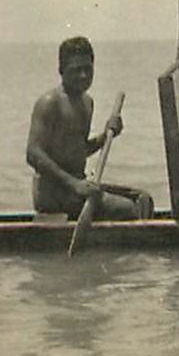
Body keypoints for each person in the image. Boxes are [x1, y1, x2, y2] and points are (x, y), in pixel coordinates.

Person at [26, 36, 154, 220]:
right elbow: (33, 153)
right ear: (61, 71)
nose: (83, 76)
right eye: (76, 70)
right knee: (126, 209)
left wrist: (106, 136)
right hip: (53, 194)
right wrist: (74, 184)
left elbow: (78, 150)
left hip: (78, 186)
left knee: (144, 200)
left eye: (88, 69)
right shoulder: (49, 103)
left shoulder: (87, 102)